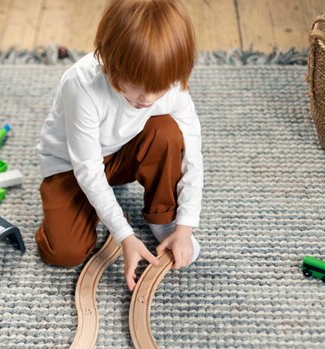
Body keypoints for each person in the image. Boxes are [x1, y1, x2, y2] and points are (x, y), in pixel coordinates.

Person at [35, 0, 203, 291]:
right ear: (109, 59)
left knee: (168, 133)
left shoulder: (169, 81)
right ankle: (94, 209)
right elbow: (87, 169)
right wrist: (124, 235)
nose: (148, 98)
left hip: (123, 151)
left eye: (160, 87)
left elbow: (192, 154)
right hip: (72, 166)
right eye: (136, 84)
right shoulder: (82, 85)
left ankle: (163, 218)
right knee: (62, 253)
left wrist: (185, 225)